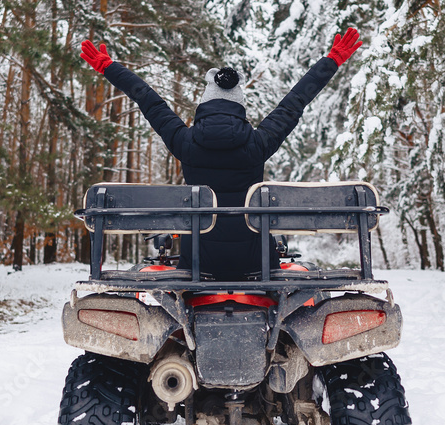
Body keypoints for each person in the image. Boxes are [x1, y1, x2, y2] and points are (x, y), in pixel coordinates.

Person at [79, 28, 362, 280]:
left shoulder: (184, 141)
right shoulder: (258, 143)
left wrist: (108, 67)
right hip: (257, 263)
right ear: (239, 106)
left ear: (204, 104)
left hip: (198, 265)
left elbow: (146, 97)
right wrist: (332, 60)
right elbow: (295, 102)